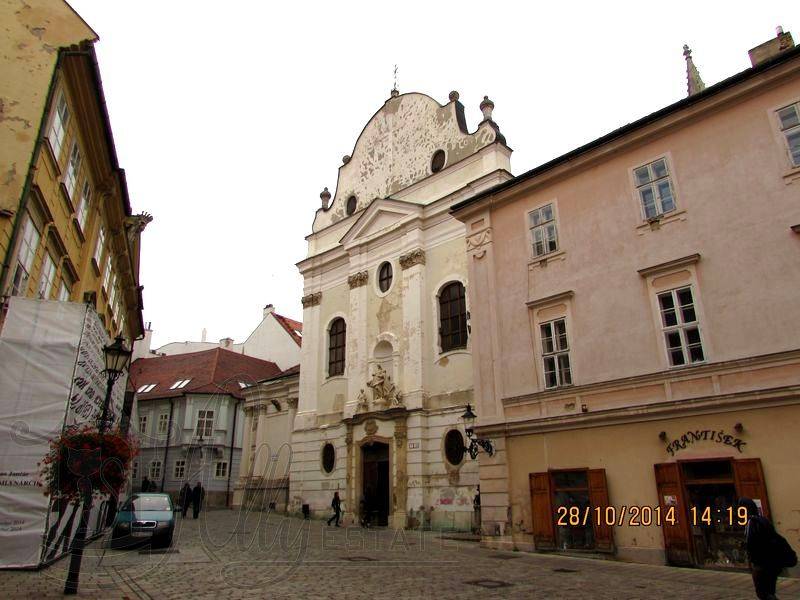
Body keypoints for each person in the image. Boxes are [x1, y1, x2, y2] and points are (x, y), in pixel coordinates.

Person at [740, 497, 780, 600]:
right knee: (769, 591)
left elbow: (751, 543)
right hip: (771, 561)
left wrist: (750, 559)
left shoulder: (751, 522)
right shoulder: (763, 520)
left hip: (760, 562)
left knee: (763, 593)